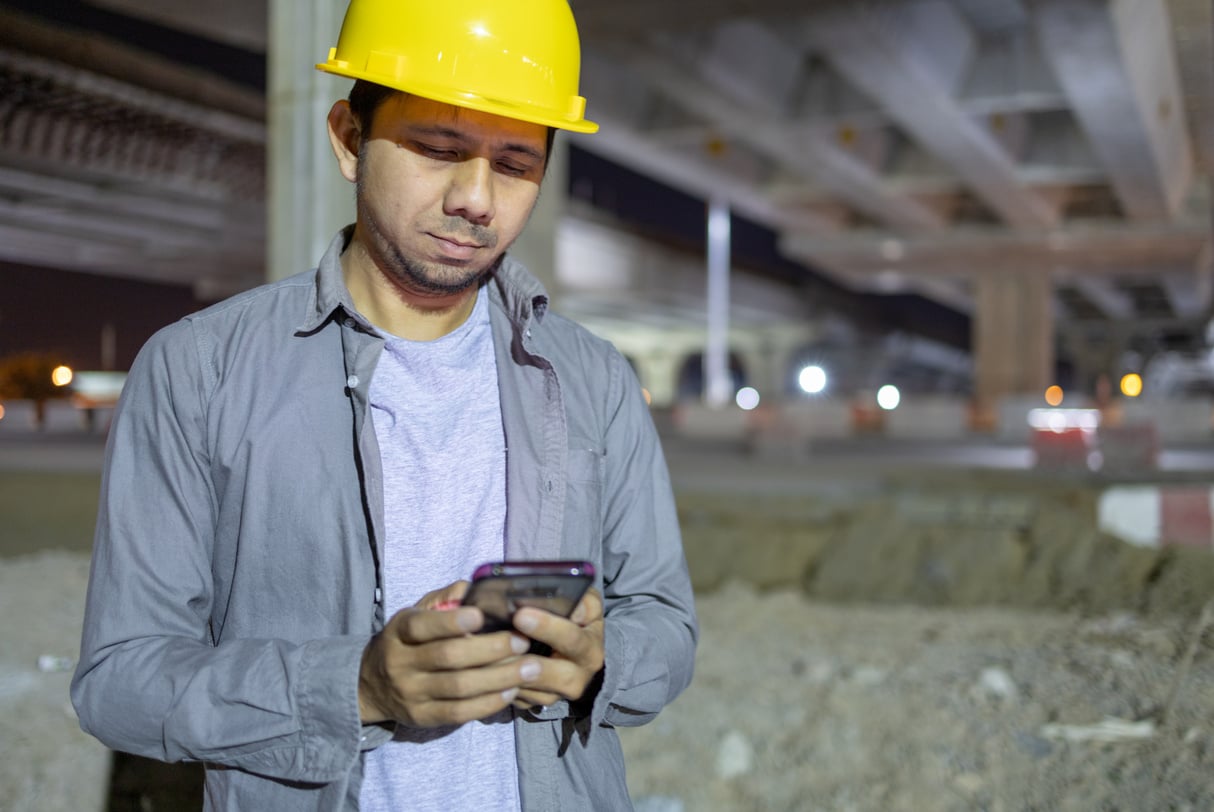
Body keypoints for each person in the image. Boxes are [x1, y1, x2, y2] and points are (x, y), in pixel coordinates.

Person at [69, 0, 698, 809]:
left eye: (514, 165)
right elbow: (120, 683)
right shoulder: (200, 371)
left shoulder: (593, 379)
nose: (476, 199)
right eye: (439, 149)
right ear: (347, 139)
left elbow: (666, 625)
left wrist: (599, 662)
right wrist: (357, 687)